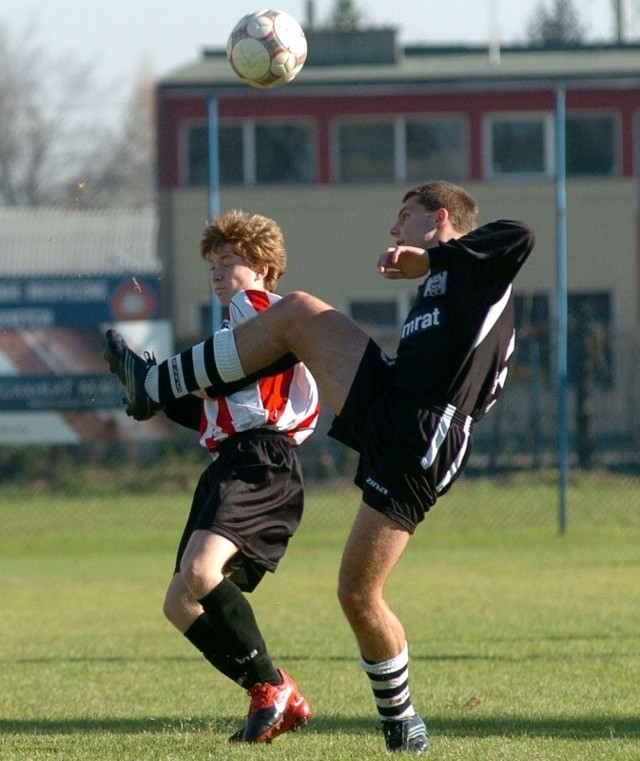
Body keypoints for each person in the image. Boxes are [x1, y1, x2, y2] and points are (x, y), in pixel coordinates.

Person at [105, 181, 535, 754]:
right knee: (300, 312)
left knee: (357, 593)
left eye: (402, 216)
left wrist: (426, 257)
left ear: (438, 218)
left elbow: (520, 236)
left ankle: (402, 722)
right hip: (390, 396)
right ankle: (154, 384)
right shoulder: (440, 276)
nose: (392, 229)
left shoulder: (478, 264)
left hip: (424, 434)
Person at [105, 210, 320, 744]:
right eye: (214, 265)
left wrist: (156, 383)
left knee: (200, 575)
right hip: (233, 463)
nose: (220, 273)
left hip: (261, 462)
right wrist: (153, 393)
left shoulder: (259, 312)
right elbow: (211, 413)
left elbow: (239, 380)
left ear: (265, 269)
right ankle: (270, 692)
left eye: (232, 262)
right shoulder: (234, 333)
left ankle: (273, 689)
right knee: (180, 603)